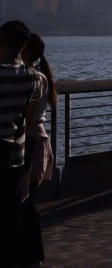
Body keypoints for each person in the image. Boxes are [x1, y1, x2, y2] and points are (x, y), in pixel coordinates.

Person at [15, 30, 50, 267]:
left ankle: (30, 255)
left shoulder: (31, 77)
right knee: (26, 204)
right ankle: (30, 256)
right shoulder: (40, 76)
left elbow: (24, 117)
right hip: (38, 139)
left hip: (28, 142)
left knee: (23, 204)